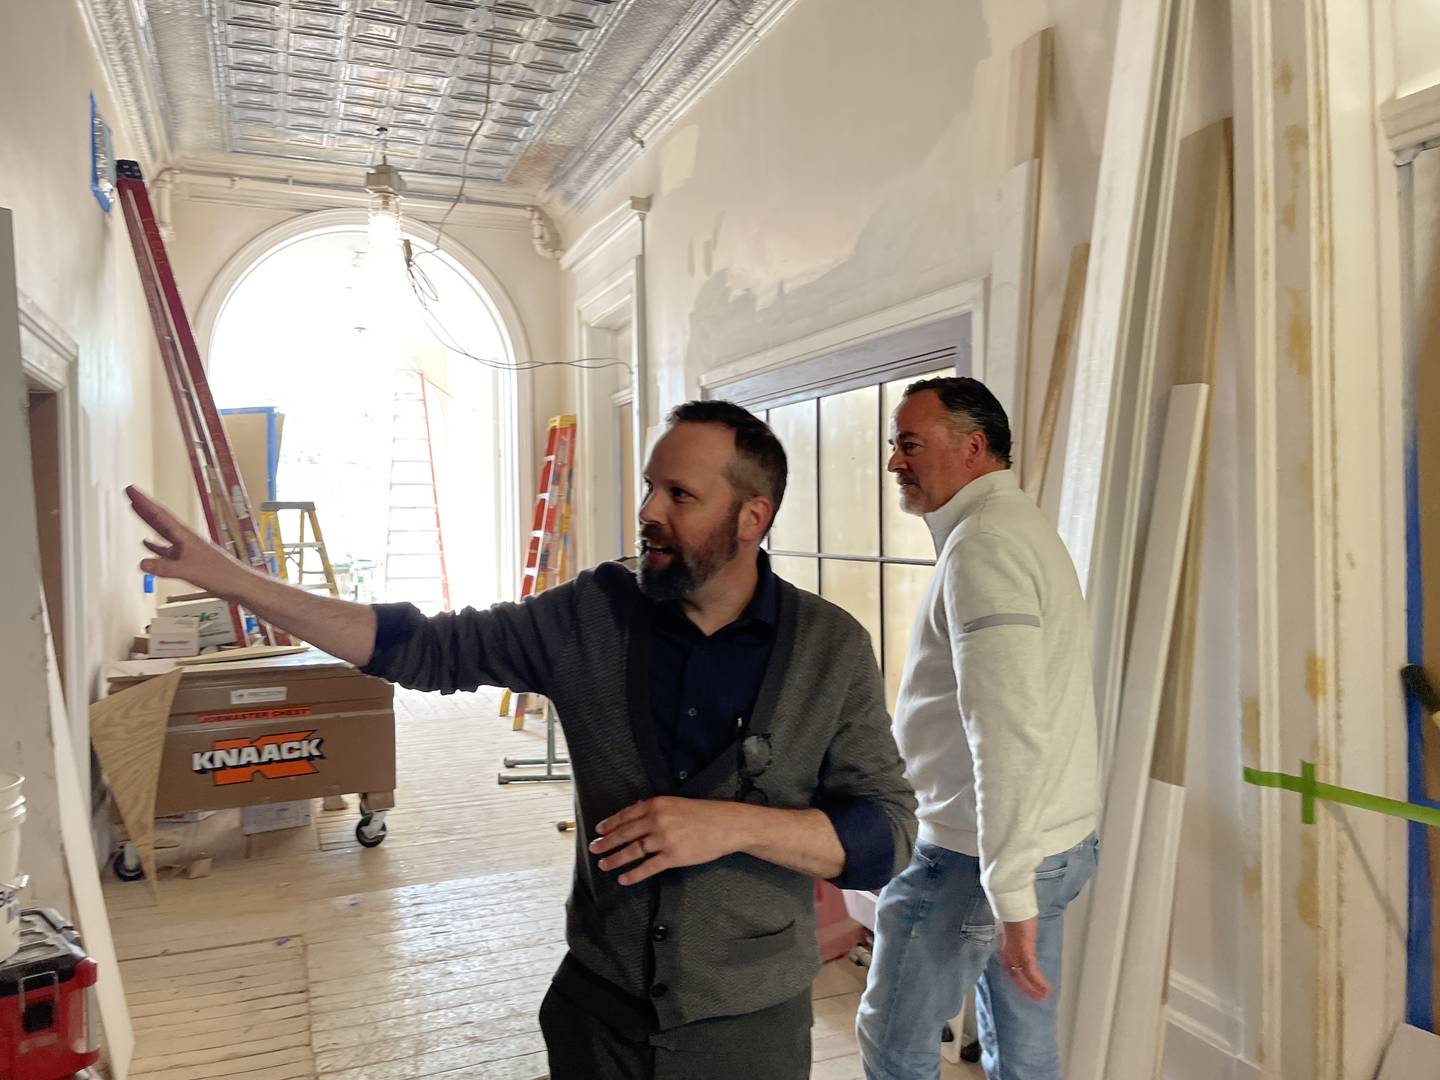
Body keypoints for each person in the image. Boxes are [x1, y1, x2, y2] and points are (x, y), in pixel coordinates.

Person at [128, 399, 916, 1080]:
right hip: (597, 1021)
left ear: (752, 518)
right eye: (650, 485)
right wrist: (238, 581)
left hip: (748, 1035)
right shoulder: (591, 616)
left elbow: (887, 834)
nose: (649, 510)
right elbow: (422, 647)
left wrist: (731, 825)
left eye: (680, 494)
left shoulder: (829, 648)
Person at [856, 377, 1100, 1080]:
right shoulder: (1012, 530)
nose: (895, 461)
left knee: (894, 1044)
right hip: (1043, 843)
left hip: (970, 859)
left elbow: (1009, 727)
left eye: (909, 443)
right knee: (1023, 1043)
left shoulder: (985, 548)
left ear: (973, 447)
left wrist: (1009, 890)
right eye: (893, 445)